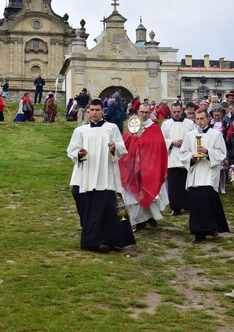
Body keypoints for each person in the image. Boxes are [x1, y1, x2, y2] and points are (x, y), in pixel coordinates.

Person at [67, 98, 135, 252]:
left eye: (98, 110)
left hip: (106, 174)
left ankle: (110, 240)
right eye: (91, 110)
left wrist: (113, 147)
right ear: (88, 111)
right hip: (87, 174)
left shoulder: (111, 128)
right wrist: (79, 153)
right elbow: (72, 150)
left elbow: (121, 148)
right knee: (89, 206)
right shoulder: (80, 131)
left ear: (102, 111)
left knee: (108, 208)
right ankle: (94, 240)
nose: (94, 113)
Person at [179, 108, 230, 243]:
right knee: (196, 203)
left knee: (208, 200)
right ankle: (198, 232)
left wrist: (207, 152)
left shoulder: (216, 134)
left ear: (208, 118)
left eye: (202, 119)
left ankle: (212, 228)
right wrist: (192, 158)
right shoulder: (190, 135)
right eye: (197, 119)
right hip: (196, 173)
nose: (200, 122)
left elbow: (221, 153)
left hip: (209, 172)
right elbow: (183, 153)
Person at [119, 103, 169, 233]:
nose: (144, 114)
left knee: (149, 191)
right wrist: (134, 141)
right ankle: (141, 221)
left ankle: (149, 217)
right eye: (141, 112)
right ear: (138, 111)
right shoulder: (132, 126)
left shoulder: (154, 128)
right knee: (134, 193)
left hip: (149, 166)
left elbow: (159, 146)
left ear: (150, 112)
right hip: (132, 166)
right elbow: (125, 144)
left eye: (146, 112)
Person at [161, 103, 196, 216]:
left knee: (187, 183)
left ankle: (189, 205)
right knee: (174, 185)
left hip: (186, 158)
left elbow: (195, 137)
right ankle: (175, 207)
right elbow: (161, 140)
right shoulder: (166, 124)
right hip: (172, 157)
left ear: (182, 110)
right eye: (174, 112)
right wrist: (172, 142)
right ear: (171, 112)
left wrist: (186, 143)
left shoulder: (190, 123)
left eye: (178, 111)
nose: (176, 114)